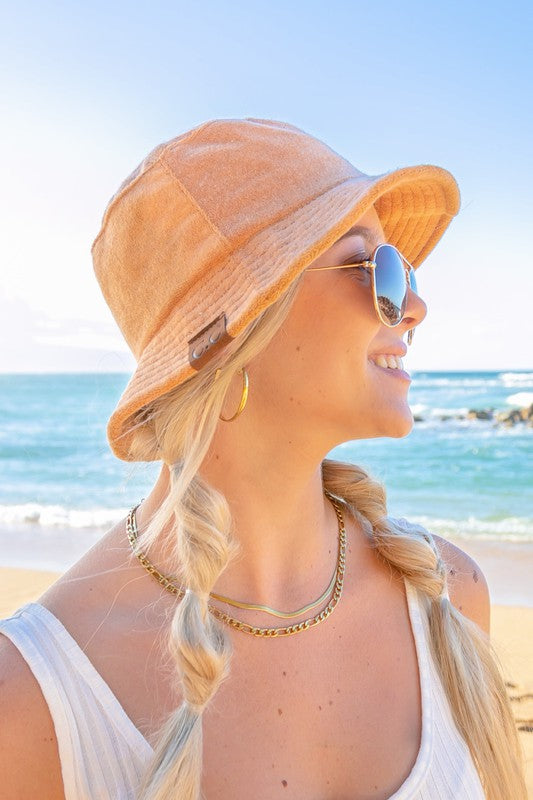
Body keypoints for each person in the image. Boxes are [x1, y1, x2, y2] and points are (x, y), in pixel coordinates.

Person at [0, 118, 526, 800]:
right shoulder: (33, 698)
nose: (416, 306)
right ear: (239, 328)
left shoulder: (449, 600)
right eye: (378, 268)